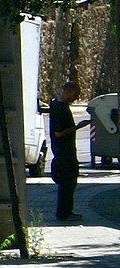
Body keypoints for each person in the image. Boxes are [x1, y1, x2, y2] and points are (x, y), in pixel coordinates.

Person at [49, 81, 90, 222]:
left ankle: (66, 211)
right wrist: (78, 126)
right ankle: (64, 213)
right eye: (75, 95)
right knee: (68, 183)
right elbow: (59, 133)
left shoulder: (56, 104)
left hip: (63, 151)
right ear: (68, 92)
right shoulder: (60, 109)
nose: (76, 98)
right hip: (64, 152)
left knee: (68, 182)